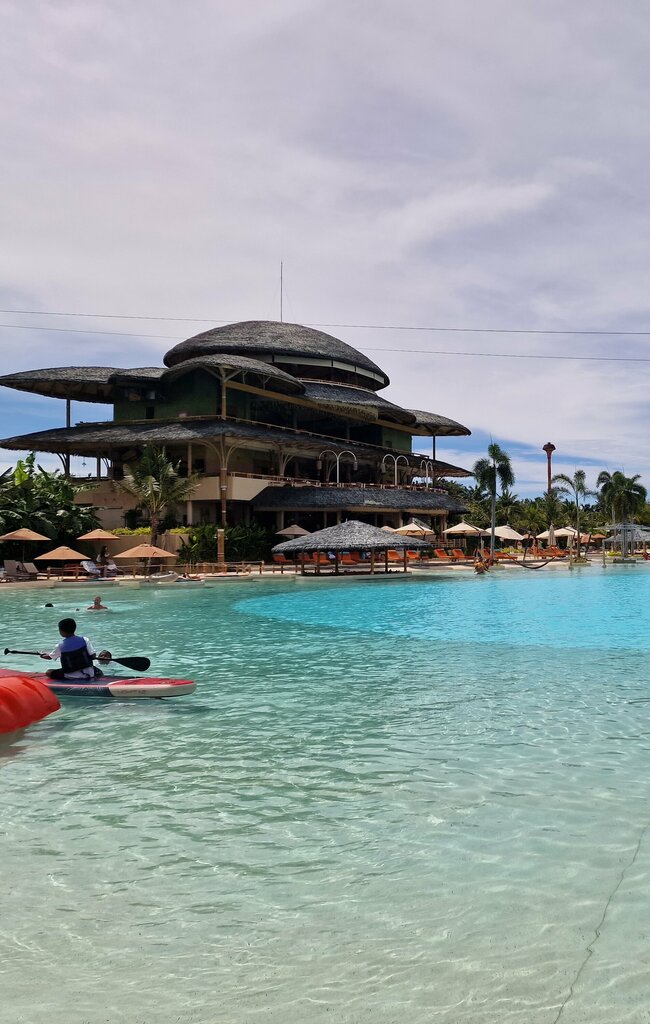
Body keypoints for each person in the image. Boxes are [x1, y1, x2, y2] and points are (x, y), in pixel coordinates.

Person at [40, 617, 107, 681]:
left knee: (48, 672)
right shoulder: (85, 639)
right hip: (89, 673)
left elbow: (50, 657)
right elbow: (93, 655)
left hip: (71, 675)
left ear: (61, 631)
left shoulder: (60, 645)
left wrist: (43, 655)